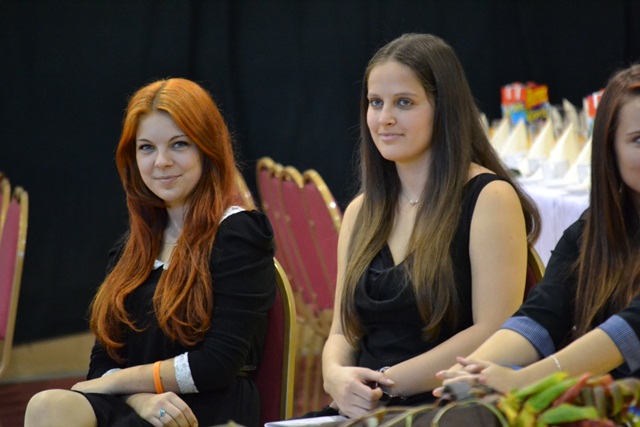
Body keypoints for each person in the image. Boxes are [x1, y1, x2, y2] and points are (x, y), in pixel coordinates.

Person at [313, 33, 541, 419]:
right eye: (375, 102)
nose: (384, 118)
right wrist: (334, 375)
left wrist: (385, 382)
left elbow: (494, 329)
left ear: (444, 108)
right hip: (366, 404)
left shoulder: (489, 197)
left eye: (404, 102)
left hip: (448, 406)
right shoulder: (360, 211)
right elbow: (343, 330)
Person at [25, 78, 276, 427]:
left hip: (204, 408)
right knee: (46, 405)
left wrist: (119, 384)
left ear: (207, 149)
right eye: (146, 148)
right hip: (143, 405)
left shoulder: (238, 234)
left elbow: (216, 365)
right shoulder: (131, 249)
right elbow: (103, 364)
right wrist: (140, 398)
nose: (161, 162)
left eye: (179, 144)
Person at [435, 63, 640, 396]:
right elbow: (542, 315)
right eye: (639, 140)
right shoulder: (591, 231)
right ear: (609, 149)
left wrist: (524, 379)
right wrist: (470, 370)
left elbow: (629, 332)